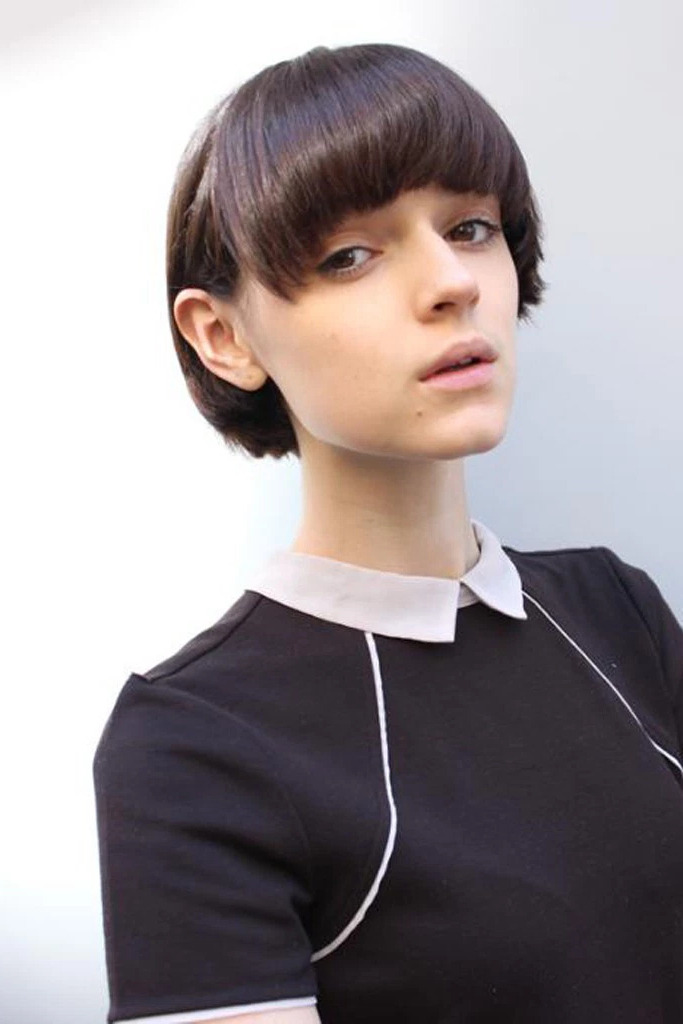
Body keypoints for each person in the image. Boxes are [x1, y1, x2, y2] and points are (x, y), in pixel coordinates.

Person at [93, 42, 683, 1024]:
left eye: (470, 227)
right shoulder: (193, 743)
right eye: (349, 256)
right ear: (223, 336)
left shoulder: (613, 607)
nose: (452, 281)